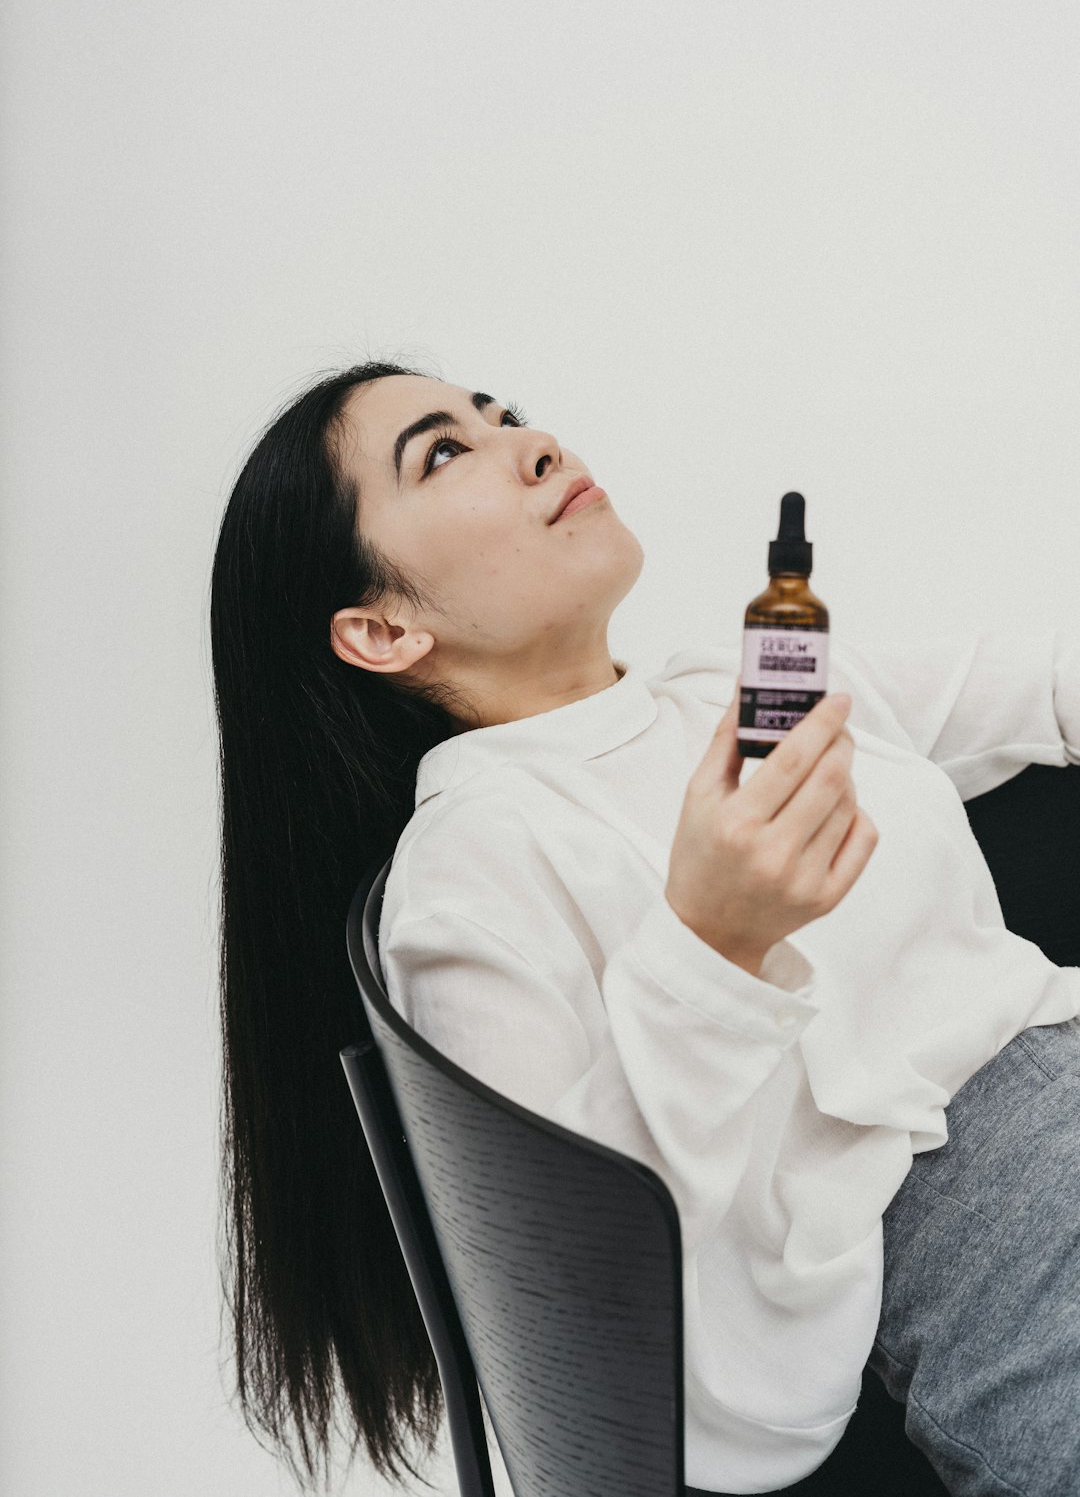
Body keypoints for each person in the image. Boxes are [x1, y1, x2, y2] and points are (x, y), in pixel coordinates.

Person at [210, 359, 1080, 1495]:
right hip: (1000, 1204)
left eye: (503, 414)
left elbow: (1036, 687)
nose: (530, 443)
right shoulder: (471, 865)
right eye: (442, 452)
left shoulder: (733, 684)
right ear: (381, 631)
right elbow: (569, 1292)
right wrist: (713, 943)